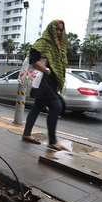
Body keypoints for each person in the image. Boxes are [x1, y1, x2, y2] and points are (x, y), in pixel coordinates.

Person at [21, 19, 69, 151]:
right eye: (57, 29)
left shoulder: (58, 46)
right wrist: (46, 70)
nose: (59, 32)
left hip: (51, 82)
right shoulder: (43, 42)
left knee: (37, 107)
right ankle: (52, 141)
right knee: (56, 107)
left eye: (61, 30)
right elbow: (33, 60)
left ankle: (26, 134)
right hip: (43, 81)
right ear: (51, 29)